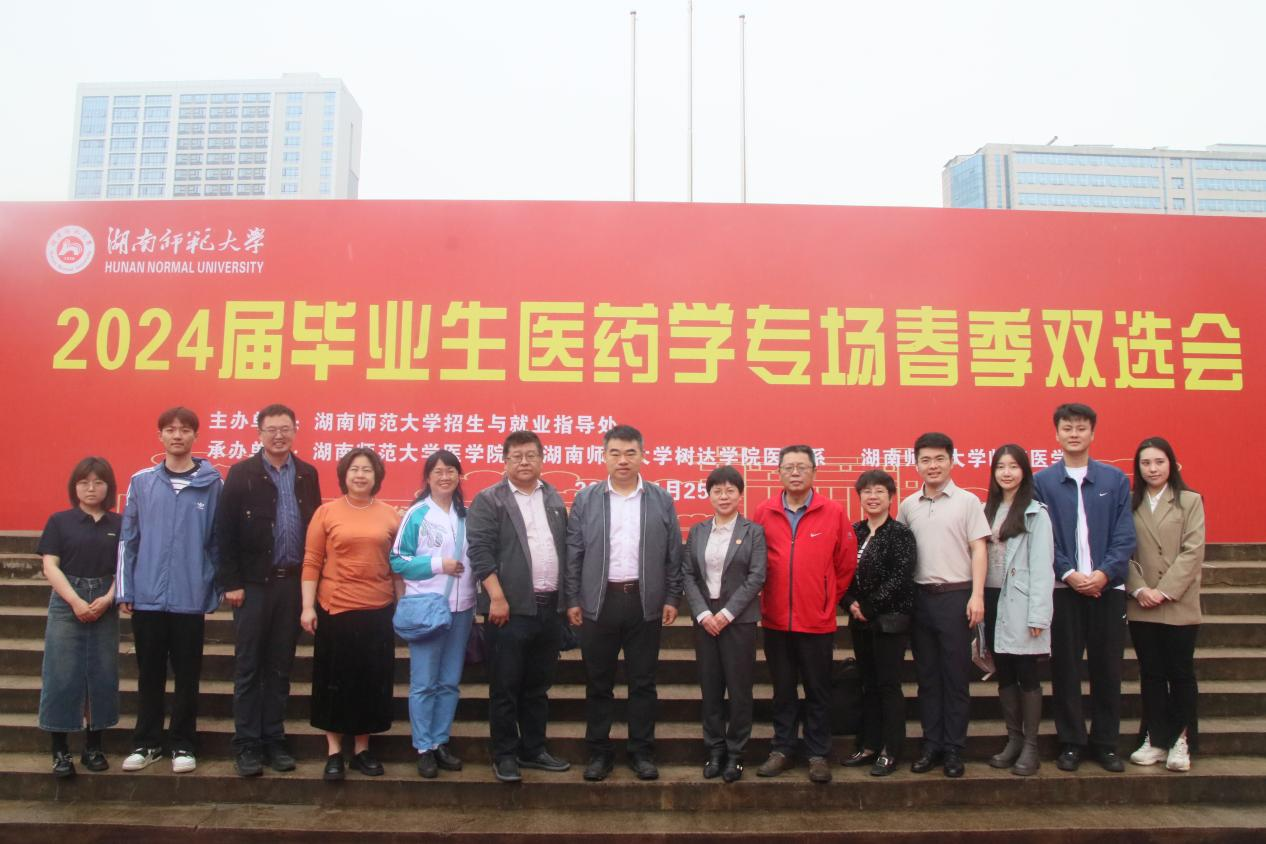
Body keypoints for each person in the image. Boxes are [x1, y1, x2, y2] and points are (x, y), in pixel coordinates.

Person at [565, 424, 684, 782]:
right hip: (599, 603)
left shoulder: (660, 499)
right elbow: (574, 552)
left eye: (630, 453)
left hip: (644, 603)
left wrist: (672, 596)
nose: (623, 460)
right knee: (598, 682)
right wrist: (572, 597)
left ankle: (641, 752)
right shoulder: (587, 499)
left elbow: (673, 553)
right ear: (604, 456)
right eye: (615, 453)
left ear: (642, 456)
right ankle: (599, 753)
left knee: (643, 682)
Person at [215, 404, 322, 777]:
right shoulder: (241, 473)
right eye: (272, 429)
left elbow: (315, 530)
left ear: (295, 430)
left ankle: (274, 740)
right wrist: (231, 582)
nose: (279, 435)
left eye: (285, 428)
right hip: (253, 586)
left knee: (280, 667)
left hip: (291, 584)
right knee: (249, 667)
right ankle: (246, 744)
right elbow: (224, 531)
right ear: (259, 433)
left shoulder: (307, 473)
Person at [117, 406, 222, 774]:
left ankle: (183, 744)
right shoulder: (142, 482)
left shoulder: (213, 484)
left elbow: (217, 542)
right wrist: (126, 589)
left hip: (189, 598)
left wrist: (212, 589)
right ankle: (145, 743)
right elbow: (129, 539)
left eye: (185, 429)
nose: (178, 435)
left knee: (188, 676)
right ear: (160, 435)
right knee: (149, 674)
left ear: (196, 436)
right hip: (147, 596)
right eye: (171, 429)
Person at [1033, 403, 1136, 773]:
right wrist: (1069, 573)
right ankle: (1071, 743)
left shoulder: (1114, 479)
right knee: (1066, 669)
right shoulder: (1043, 482)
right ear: (1056, 434)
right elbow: (1042, 537)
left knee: (1108, 669)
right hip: (1064, 591)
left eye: (1080, 428)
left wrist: (1104, 574)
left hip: (1108, 591)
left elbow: (1125, 536)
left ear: (1093, 433)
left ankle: (1106, 744)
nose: (1074, 434)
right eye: (1067, 428)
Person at [467, 431, 572, 783]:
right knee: (505, 686)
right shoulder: (489, 499)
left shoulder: (552, 496)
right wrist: (496, 597)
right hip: (508, 611)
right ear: (505, 461)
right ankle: (505, 754)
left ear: (542, 458)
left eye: (531, 455)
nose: (524, 462)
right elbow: (480, 552)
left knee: (538, 686)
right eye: (517, 456)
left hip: (549, 608)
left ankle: (534, 749)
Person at [752, 445, 857, 784]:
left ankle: (817, 754)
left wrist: (827, 598)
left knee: (817, 690)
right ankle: (782, 749)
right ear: (779, 473)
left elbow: (845, 562)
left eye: (802, 467)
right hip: (775, 619)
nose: (795, 473)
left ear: (814, 471)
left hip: (817, 621)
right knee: (783, 690)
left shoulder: (833, 511)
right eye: (788, 467)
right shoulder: (764, 512)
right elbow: (754, 562)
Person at [301, 447, 401, 781]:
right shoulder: (326, 512)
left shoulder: (390, 515)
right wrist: (307, 606)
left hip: (378, 610)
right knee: (334, 682)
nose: (360, 475)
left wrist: (402, 605)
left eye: (367, 470)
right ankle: (334, 752)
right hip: (336, 609)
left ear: (377, 476)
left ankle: (362, 750)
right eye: (354, 469)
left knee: (371, 682)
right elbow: (312, 561)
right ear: (344, 475)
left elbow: (397, 567)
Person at [897, 432, 990, 778]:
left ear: (952, 461)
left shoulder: (968, 502)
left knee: (955, 677)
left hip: (956, 597)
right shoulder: (908, 505)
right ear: (916, 464)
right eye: (925, 460)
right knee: (927, 678)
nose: (932, 466)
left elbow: (979, 549)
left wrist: (977, 595)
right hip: (920, 599)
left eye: (939, 459)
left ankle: (953, 749)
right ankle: (931, 745)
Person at [390, 449, 477, 779]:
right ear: (427, 478)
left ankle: (441, 741)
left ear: (459, 476)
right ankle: (423, 747)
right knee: (424, 682)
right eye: (438, 471)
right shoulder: (417, 514)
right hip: (427, 608)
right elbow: (398, 561)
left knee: (449, 682)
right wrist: (439, 564)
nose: (445, 476)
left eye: (451, 471)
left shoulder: (466, 515)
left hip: (462, 608)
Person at [682, 465, 767, 783]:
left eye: (730, 490)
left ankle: (736, 754)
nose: (724, 496)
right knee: (711, 687)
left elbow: (757, 576)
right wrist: (704, 614)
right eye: (717, 490)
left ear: (740, 495)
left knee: (740, 689)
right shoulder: (698, 531)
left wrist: (727, 614)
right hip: (705, 619)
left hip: (738, 620)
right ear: (709, 495)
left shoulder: (753, 531)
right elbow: (687, 574)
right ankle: (715, 750)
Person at [37, 457, 122, 778]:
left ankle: (93, 747)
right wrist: (74, 600)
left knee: (101, 673)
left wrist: (109, 598)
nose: (91, 488)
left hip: (105, 599)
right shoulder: (60, 521)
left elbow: (125, 567)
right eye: (84, 482)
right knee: (61, 673)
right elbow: (50, 565)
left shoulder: (120, 524)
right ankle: (60, 750)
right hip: (66, 600)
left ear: (108, 488)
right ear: (75, 487)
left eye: (98, 482)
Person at [1126, 437, 1205, 773]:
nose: (1152, 469)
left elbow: (1193, 551)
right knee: (1152, 674)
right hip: (1142, 603)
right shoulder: (1130, 503)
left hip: (1178, 602)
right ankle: (1156, 739)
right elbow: (1122, 548)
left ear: (1171, 464)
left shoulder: (1189, 501)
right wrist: (1140, 588)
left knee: (1180, 673)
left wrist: (1164, 590)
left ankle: (1181, 740)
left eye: (1159, 462)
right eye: (1145, 463)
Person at [982, 445, 1055, 777]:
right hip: (992, 599)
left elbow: (1042, 568)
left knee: (1027, 673)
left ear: (1025, 471)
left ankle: (1031, 746)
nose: (1006, 473)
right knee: (1005, 672)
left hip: (1021, 602)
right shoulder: (986, 510)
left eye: (1013, 466)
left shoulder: (1036, 513)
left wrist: (1038, 614)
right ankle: (1013, 739)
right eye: (1000, 467)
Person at [842, 469, 916, 778]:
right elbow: (842, 571)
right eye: (867, 491)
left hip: (888, 623)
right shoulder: (853, 531)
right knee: (868, 685)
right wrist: (850, 603)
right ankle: (869, 744)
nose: (872, 497)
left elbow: (900, 578)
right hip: (860, 622)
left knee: (888, 686)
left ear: (891, 497)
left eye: (879, 491)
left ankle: (891, 749)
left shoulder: (900, 534)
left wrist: (869, 607)